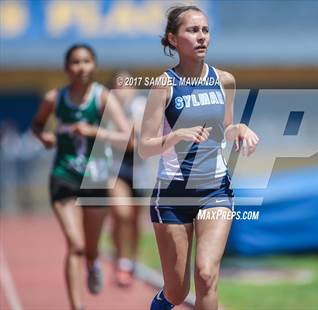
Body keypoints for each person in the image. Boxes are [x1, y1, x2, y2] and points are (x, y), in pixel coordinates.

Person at [139, 6, 259, 310]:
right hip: (172, 194)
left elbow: (225, 128)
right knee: (177, 292)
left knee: (206, 274)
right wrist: (176, 136)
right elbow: (144, 146)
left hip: (214, 191)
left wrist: (240, 128)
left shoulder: (224, 80)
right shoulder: (163, 85)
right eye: (192, 31)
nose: (201, 37)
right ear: (173, 39)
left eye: (205, 30)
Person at [31, 44, 130, 310]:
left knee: (89, 248)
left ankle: (92, 262)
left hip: (95, 178)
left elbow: (127, 137)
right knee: (74, 244)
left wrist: (93, 132)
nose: (81, 67)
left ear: (94, 66)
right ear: (67, 68)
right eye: (75, 62)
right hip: (63, 175)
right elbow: (37, 124)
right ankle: (77, 306)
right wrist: (44, 138)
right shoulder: (55, 98)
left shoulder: (103, 98)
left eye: (87, 61)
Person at [108, 71, 147, 287]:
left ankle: (132, 259)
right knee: (122, 214)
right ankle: (122, 261)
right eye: (119, 85)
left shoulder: (141, 105)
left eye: (128, 84)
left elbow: (143, 133)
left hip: (139, 170)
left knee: (133, 220)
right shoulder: (108, 107)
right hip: (115, 169)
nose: (124, 89)